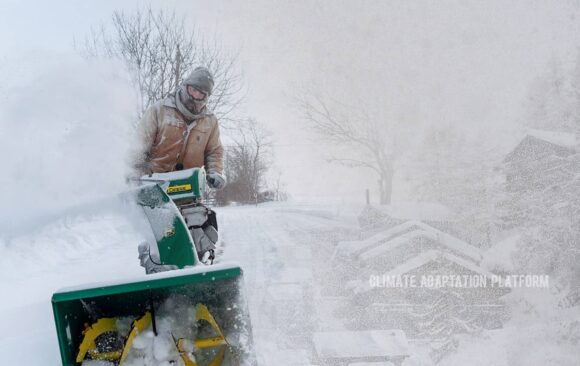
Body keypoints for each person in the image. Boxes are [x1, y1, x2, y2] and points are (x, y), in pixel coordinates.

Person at [135, 66, 226, 190]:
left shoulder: (210, 121)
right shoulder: (160, 110)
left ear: (206, 97)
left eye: (201, 94)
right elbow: (139, 145)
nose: (195, 95)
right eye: (193, 89)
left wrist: (215, 171)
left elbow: (214, 151)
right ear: (186, 86)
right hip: (154, 186)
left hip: (188, 189)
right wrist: (134, 174)